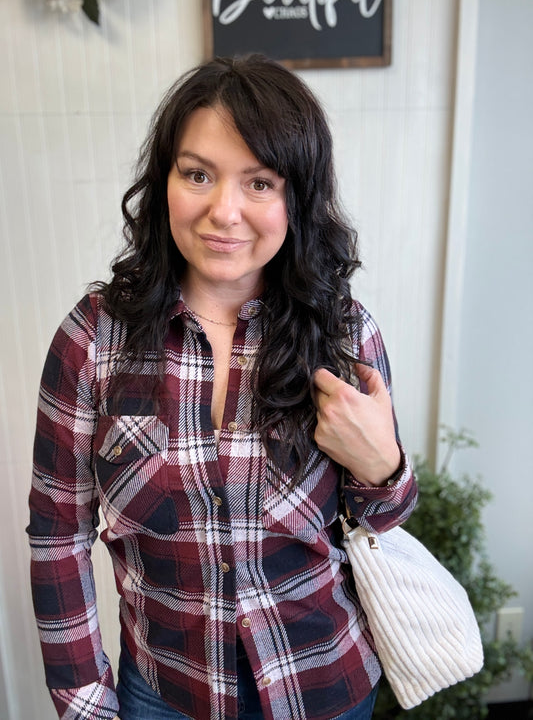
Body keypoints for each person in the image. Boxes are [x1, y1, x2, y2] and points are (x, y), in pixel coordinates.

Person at [27, 53, 417, 720]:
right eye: (198, 174)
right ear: (165, 181)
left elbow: (382, 522)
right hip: (164, 693)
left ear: (297, 196)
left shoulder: (344, 336)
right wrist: (86, 703)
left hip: (326, 685)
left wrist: (383, 465)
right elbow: (56, 536)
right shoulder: (92, 340)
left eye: (259, 182)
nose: (223, 211)